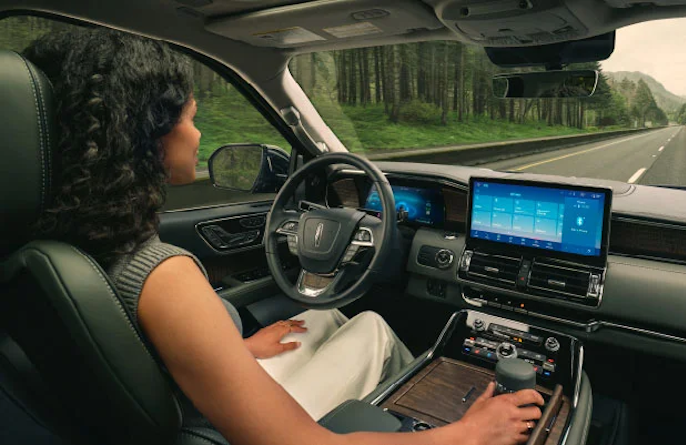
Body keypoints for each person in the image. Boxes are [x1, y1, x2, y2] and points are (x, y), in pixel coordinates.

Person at [25, 27, 544, 445]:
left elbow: (132, 363)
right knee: (372, 327)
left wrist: (234, 351)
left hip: (181, 406)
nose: (199, 134)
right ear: (148, 132)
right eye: (190, 117)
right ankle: (417, 423)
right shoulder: (163, 277)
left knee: (319, 314)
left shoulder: (51, 245)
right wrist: (468, 434)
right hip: (213, 431)